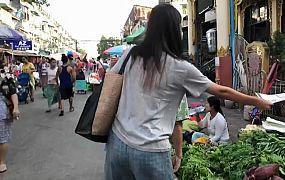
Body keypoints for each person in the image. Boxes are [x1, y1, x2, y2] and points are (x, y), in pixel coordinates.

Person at [105, 4, 272, 180]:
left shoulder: (131, 54)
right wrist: (257, 101)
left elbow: (112, 79)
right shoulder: (179, 67)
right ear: (175, 31)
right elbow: (222, 91)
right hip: (150, 149)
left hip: (118, 144)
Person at [0, 67, 19, 173]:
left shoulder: (5, 78)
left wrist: (16, 108)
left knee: (2, 138)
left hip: (2, 112)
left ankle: (2, 162)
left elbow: (13, 93)